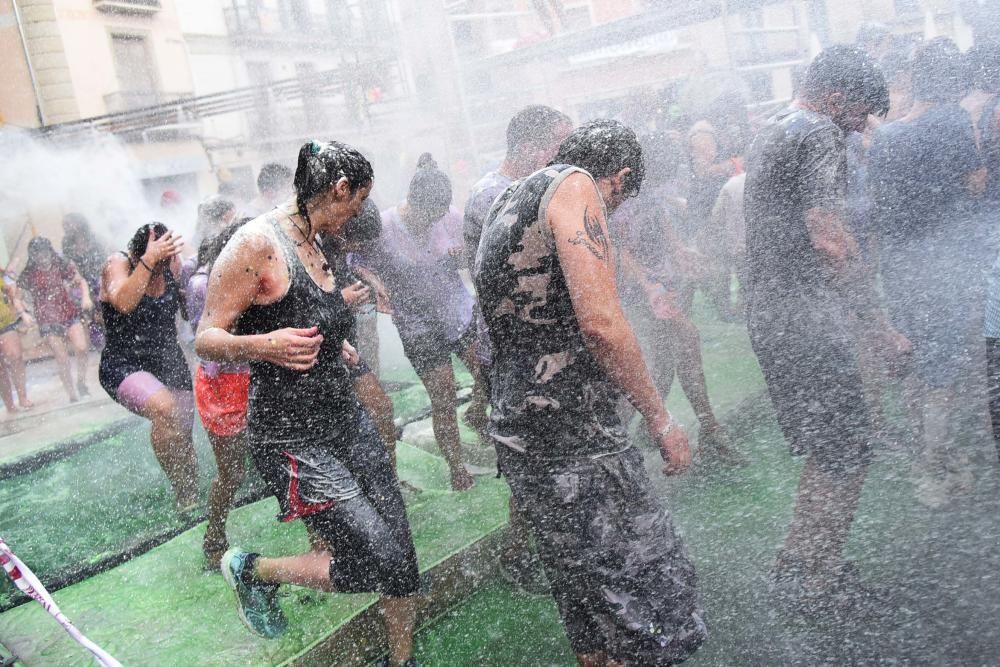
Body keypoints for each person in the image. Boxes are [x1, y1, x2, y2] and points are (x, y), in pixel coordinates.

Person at [475, 119, 707, 666]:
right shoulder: (577, 186)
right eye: (620, 203)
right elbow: (601, 323)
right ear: (620, 178)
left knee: (583, 587)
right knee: (648, 591)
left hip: (519, 426)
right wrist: (660, 417)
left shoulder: (513, 195)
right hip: (573, 433)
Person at [196, 140, 421, 667]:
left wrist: (331, 341)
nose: (359, 213)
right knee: (375, 561)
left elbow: (309, 312)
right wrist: (263, 345)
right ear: (339, 190)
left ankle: (402, 660)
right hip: (291, 436)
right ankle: (253, 570)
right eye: (358, 201)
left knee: (402, 554)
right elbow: (207, 336)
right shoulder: (257, 243)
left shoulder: (318, 240)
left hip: (346, 419)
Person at [744, 46, 909, 613]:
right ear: (837, 99)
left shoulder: (771, 127)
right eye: (861, 114)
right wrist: (880, 329)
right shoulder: (819, 133)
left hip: (770, 316)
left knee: (830, 449)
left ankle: (797, 567)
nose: (863, 127)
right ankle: (819, 585)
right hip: (806, 319)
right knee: (848, 451)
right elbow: (830, 239)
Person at [869, 38, 988, 505]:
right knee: (940, 368)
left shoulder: (887, 135)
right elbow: (975, 182)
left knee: (915, 360)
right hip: (940, 262)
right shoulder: (953, 119)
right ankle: (933, 471)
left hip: (898, 266)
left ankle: (929, 452)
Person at [463, 104, 571, 592]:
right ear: (532, 148)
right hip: (511, 350)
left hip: (528, 347)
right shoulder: (496, 197)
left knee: (543, 450)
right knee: (530, 453)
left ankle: (536, 543)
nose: (566, 158)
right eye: (559, 146)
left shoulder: (522, 191)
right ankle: (516, 553)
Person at [613, 132, 747, 466]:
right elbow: (619, 249)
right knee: (685, 341)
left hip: (662, 282)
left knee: (662, 363)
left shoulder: (645, 189)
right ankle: (708, 429)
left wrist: (682, 252)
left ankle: (632, 428)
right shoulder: (619, 198)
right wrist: (648, 286)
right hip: (642, 291)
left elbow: (661, 223)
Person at [360, 154, 482, 492]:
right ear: (413, 202)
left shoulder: (450, 218)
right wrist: (373, 281)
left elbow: (473, 254)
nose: (433, 224)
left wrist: (463, 257)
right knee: (442, 398)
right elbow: (354, 261)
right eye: (429, 217)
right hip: (417, 325)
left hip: (458, 311)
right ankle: (457, 467)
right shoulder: (382, 228)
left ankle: (477, 412)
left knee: (489, 373)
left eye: (439, 217)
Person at [99, 223, 199, 512]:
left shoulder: (171, 262)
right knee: (165, 408)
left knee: (183, 440)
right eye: (159, 258)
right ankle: (182, 492)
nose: (163, 266)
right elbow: (124, 302)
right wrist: (148, 260)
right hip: (124, 364)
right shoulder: (119, 264)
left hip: (168, 361)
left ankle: (189, 488)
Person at [187, 218, 252, 568]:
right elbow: (212, 341)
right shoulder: (204, 282)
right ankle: (214, 534)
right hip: (223, 385)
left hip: (258, 374)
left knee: (289, 455)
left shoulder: (261, 275)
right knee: (232, 472)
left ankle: (317, 537)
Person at [18, 237, 93, 402]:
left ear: (50, 251)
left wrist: (85, 298)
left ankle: (81, 382)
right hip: (47, 320)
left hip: (69, 313)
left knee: (81, 348)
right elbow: (18, 296)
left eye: (44, 252)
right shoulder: (29, 273)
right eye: (38, 253)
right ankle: (72, 394)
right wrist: (24, 313)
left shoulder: (62, 264)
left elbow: (81, 281)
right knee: (62, 357)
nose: (42, 256)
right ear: (33, 255)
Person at [61, 213, 107, 349]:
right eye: (65, 225)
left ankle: (111, 340)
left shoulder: (93, 239)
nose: (66, 228)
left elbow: (104, 259)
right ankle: (98, 345)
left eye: (69, 224)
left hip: (99, 278)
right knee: (87, 312)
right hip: (81, 281)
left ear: (79, 224)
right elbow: (69, 264)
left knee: (104, 310)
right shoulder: (66, 243)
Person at [0, 274, 32, 413]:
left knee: (15, 357)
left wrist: (20, 309)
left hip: (4, 321)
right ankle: (10, 405)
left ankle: (23, 397)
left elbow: (10, 288)